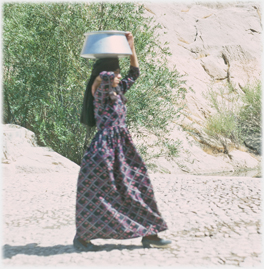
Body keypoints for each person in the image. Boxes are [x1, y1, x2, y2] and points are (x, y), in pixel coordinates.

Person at [74, 32, 171, 251]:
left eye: (118, 73)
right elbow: (102, 76)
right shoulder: (99, 91)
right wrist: (108, 72)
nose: (119, 76)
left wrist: (131, 47)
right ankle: (82, 237)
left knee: (138, 187)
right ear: (104, 74)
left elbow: (134, 72)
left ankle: (150, 232)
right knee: (101, 194)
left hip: (123, 148)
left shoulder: (118, 90)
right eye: (115, 73)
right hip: (104, 150)